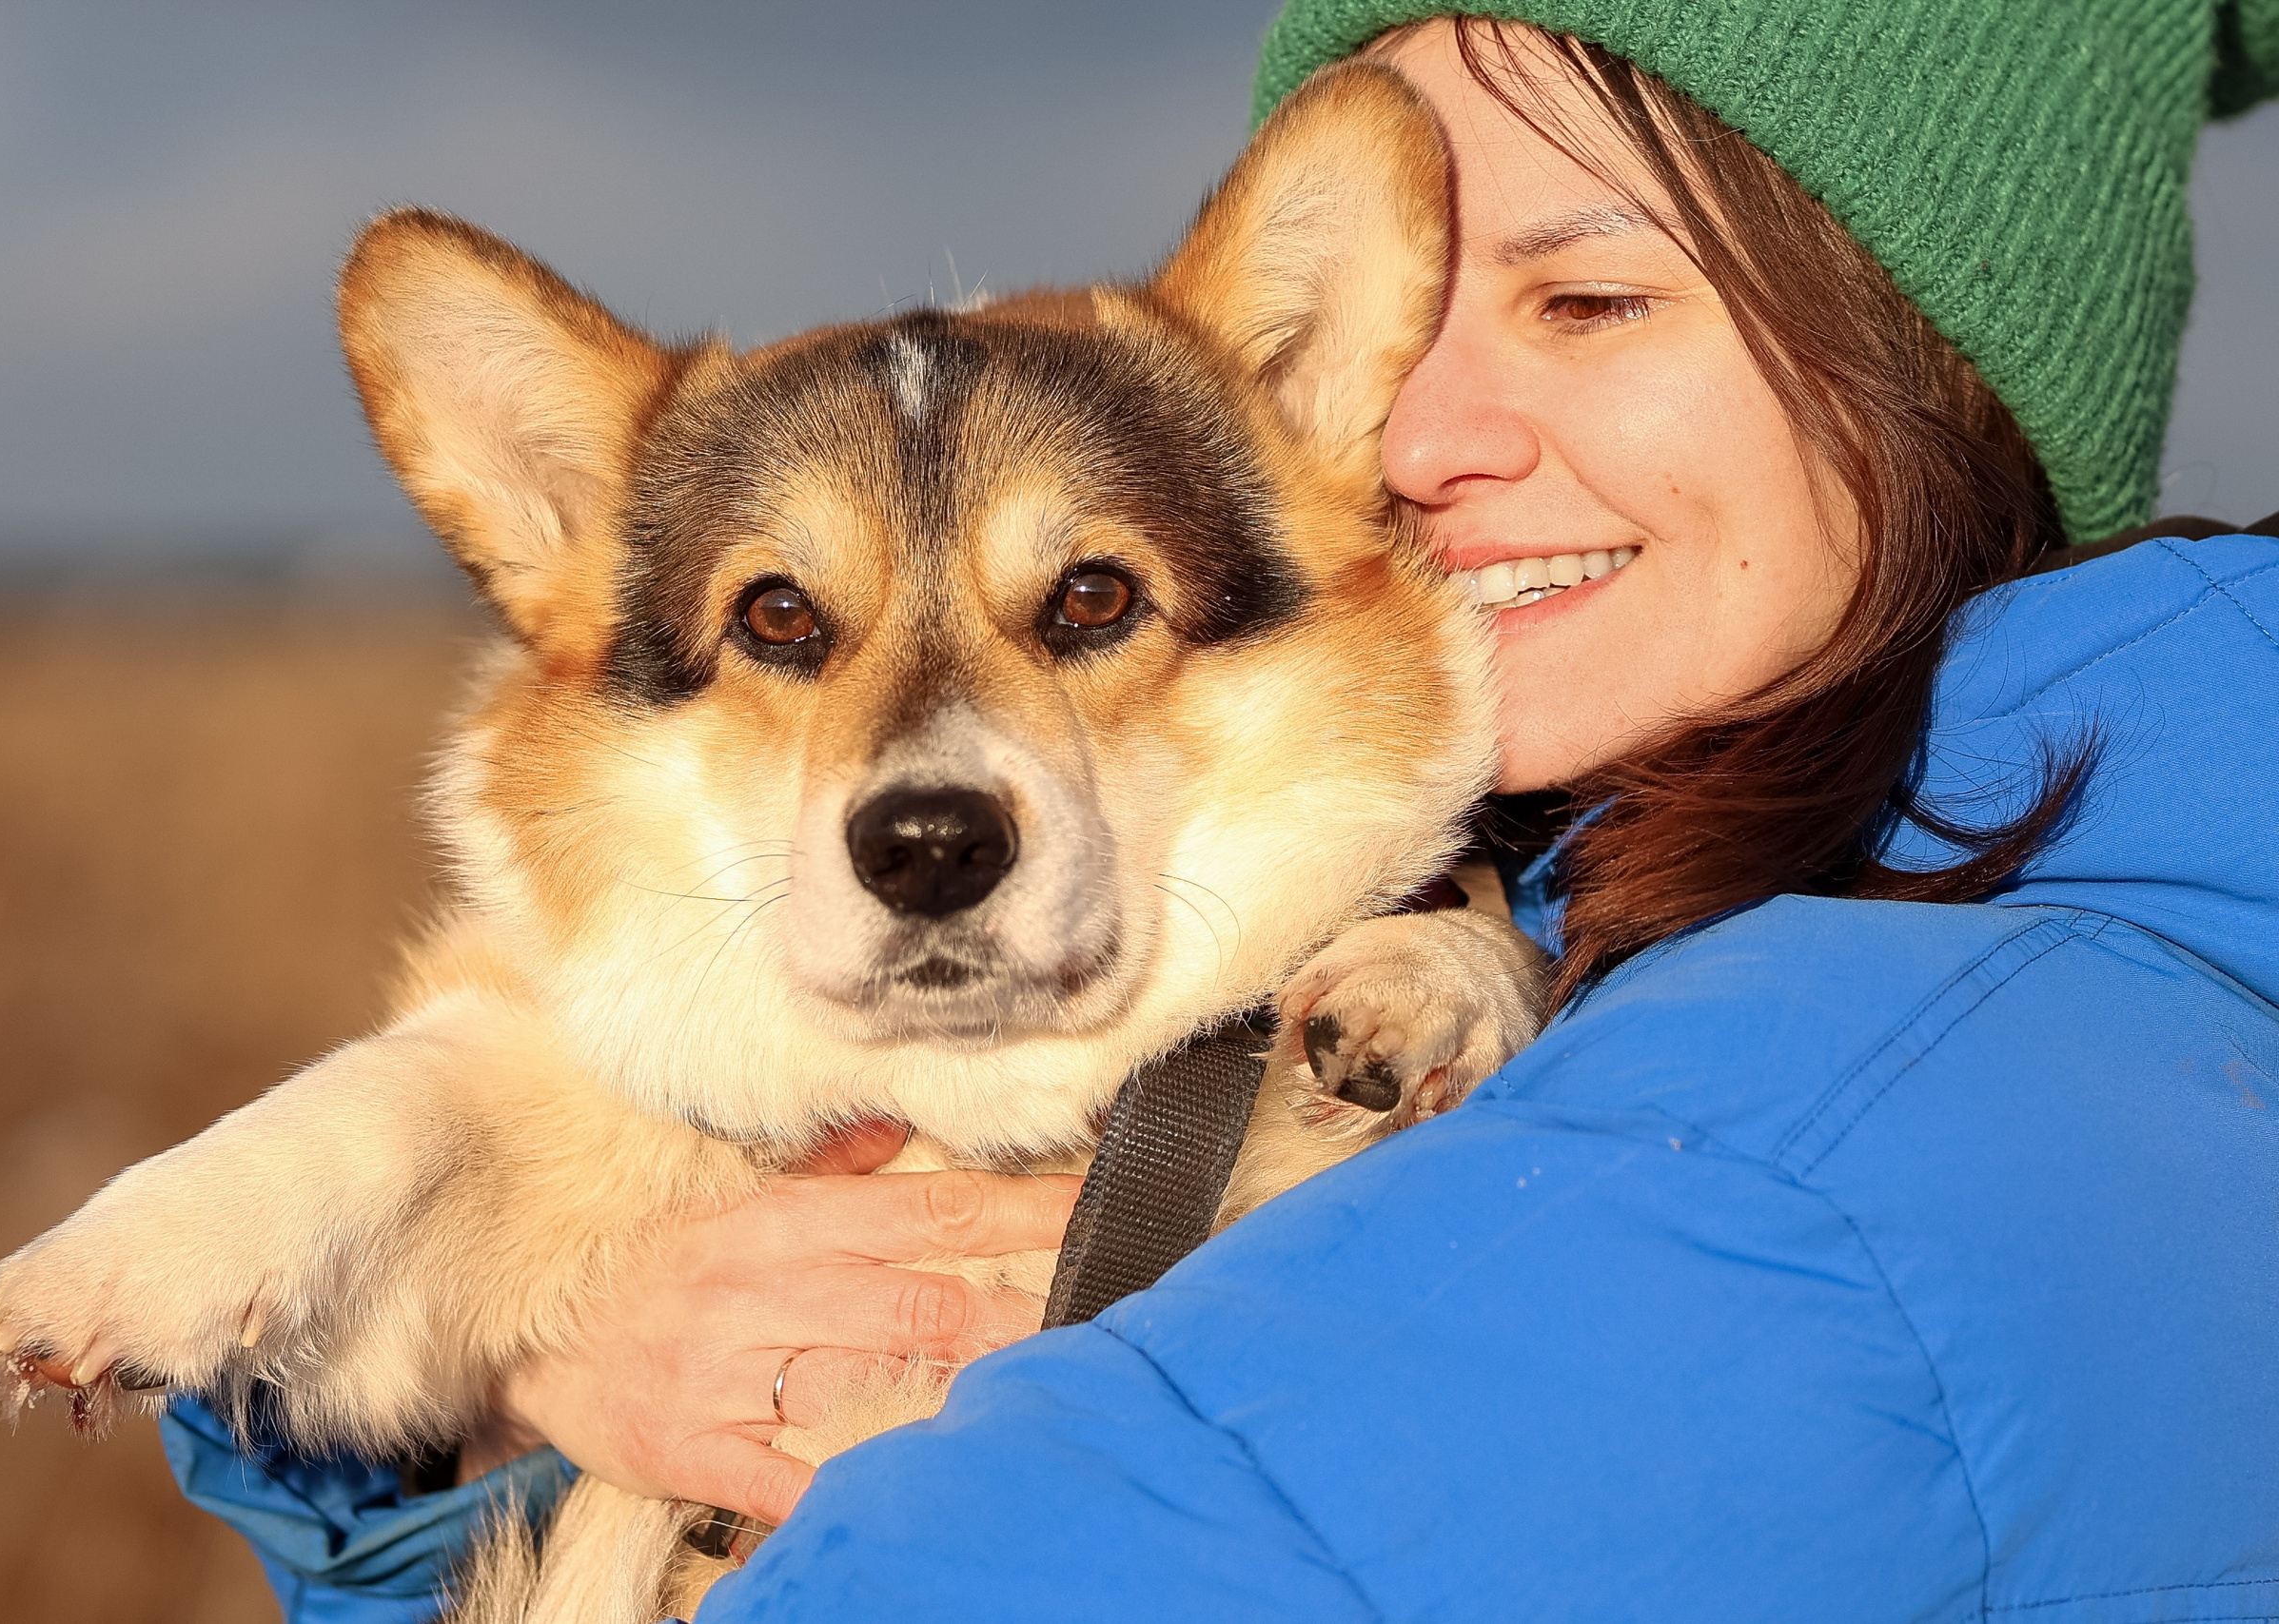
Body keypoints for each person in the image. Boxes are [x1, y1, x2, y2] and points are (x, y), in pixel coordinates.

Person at [165, 2, 2279, 1618]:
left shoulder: (1822, 1138)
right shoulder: (1688, 932)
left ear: (1927, 366)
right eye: (1390, 321)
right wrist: (522, 1379)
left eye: (1586, 301)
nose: (1397, 440)